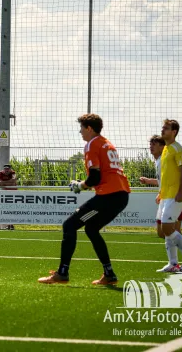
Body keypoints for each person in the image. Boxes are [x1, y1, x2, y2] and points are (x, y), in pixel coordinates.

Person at [39, 114, 131, 285]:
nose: (79, 132)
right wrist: (84, 184)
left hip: (109, 196)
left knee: (69, 225)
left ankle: (62, 273)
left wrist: (80, 185)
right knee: (91, 229)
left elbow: (95, 178)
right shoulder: (107, 143)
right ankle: (109, 274)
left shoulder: (92, 144)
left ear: (89, 128)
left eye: (81, 128)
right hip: (121, 195)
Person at [140, 135, 182, 260]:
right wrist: (149, 182)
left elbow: (174, 178)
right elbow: (162, 181)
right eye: (150, 144)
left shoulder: (164, 160)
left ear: (163, 147)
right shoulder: (158, 161)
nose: (151, 147)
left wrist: (169, 192)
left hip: (174, 198)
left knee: (170, 231)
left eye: (154, 144)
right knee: (165, 232)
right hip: (167, 197)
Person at [155, 119, 182, 273]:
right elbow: (166, 175)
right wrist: (160, 193)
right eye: (162, 128)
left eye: (166, 128)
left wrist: (180, 191)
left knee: (167, 227)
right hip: (165, 196)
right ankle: (173, 263)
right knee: (163, 230)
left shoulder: (178, 149)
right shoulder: (166, 149)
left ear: (174, 132)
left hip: (175, 195)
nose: (163, 130)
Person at [0, 164, 17, 229]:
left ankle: (11, 224)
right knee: (6, 209)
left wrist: (4, 183)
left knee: (12, 209)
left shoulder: (13, 173)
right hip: (6, 194)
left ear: (10, 169)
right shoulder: (1, 173)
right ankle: (8, 225)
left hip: (13, 193)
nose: (6, 170)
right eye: (5, 169)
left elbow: (14, 181)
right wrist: (9, 183)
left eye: (8, 169)